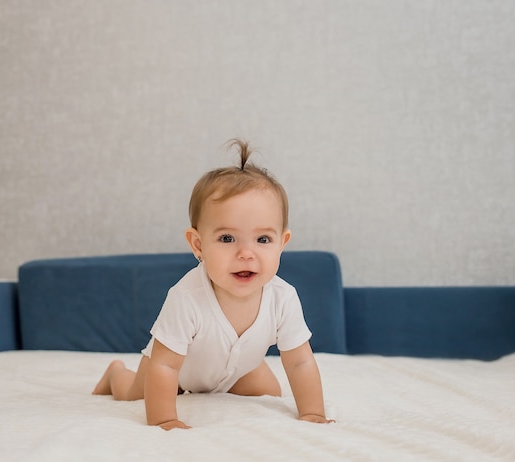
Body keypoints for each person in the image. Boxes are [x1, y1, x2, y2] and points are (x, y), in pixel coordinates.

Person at [92, 139, 334, 430]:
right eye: (227, 239)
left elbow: (299, 363)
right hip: (178, 372)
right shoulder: (187, 297)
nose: (247, 253)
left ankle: (233, 377)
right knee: (132, 393)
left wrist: (313, 413)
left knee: (271, 392)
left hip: (241, 369)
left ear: (282, 244)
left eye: (263, 239)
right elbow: (165, 366)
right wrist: (165, 419)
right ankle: (115, 372)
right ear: (198, 245)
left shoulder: (283, 297)